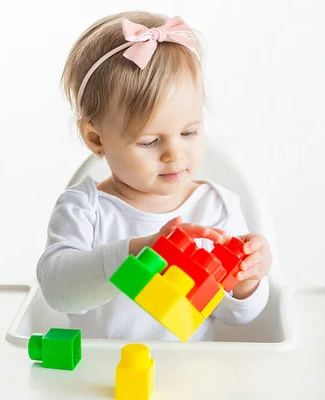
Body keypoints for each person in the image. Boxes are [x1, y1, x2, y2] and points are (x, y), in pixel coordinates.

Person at [37, 11, 272, 341]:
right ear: (96, 139)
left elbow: (238, 316)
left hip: (187, 381)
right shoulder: (84, 208)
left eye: (189, 133)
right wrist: (135, 253)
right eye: (149, 141)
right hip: (100, 380)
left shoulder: (217, 208)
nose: (174, 154)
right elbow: (58, 292)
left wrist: (248, 278)